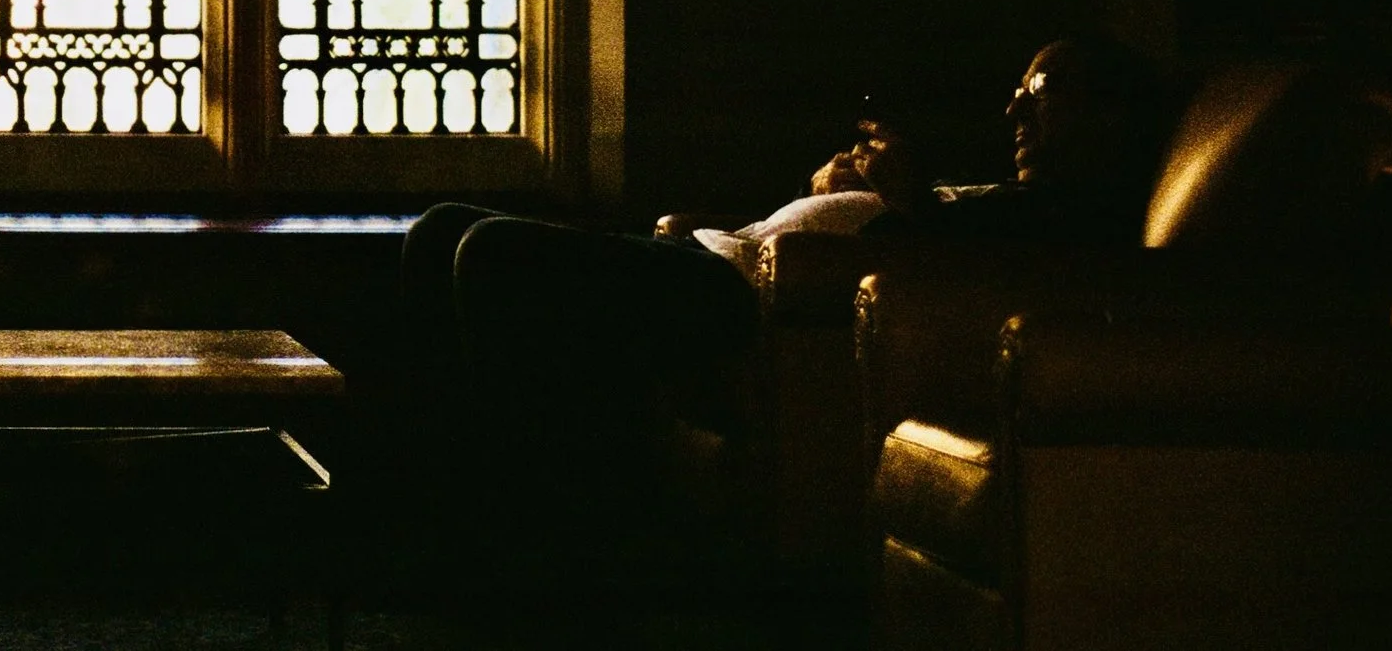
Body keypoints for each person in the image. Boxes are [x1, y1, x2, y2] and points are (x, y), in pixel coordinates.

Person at [401, 36, 1179, 453]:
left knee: (491, 248)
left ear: (1106, 118)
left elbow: (965, 274)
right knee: (441, 227)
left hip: (742, 297)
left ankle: (498, 509)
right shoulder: (1012, 197)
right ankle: (441, 479)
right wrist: (830, 195)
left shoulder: (1074, 223)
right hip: (724, 259)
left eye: (1040, 96)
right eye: (1016, 94)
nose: (1014, 111)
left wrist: (905, 197)